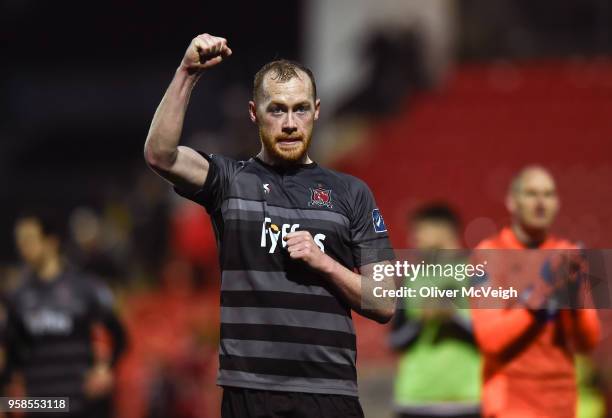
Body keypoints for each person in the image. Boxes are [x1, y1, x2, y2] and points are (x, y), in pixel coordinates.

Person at [144, 33, 396, 418]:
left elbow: (384, 301)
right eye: (277, 110)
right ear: (254, 113)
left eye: (300, 109)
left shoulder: (353, 193)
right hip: (250, 392)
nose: (290, 123)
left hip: (330, 391)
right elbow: (160, 156)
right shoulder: (228, 181)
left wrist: (324, 261)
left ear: (316, 111)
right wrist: (187, 72)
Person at [471, 166, 600, 418]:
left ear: (558, 203)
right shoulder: (488, 254)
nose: (541, 203)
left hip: (561, 403)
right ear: (512, 201)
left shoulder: (568, 254)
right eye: (531, 194)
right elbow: (491, 340)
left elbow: (588, 342)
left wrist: (576, 297)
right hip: (511, 403)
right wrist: (542, 290)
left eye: (549, 194)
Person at [2, 213, 127, 418]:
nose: (22, 247)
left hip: (81, 404)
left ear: (51, 241)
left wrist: (105, 369)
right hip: (42, 405)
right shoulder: (18, 296)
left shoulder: (85, 288)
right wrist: (6, 403)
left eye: (29, 239)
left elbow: (119, 336)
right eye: (19, 241)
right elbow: (11, 355)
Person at [390, 204, 481, 418]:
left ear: (443, 230)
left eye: (420, 230)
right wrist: (421, 320)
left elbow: (495, 337)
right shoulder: (411, 280)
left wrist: (453, 316)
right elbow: (394, 340)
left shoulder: (477, 275)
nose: (414, 238)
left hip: (469, 400)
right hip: (415, 401)